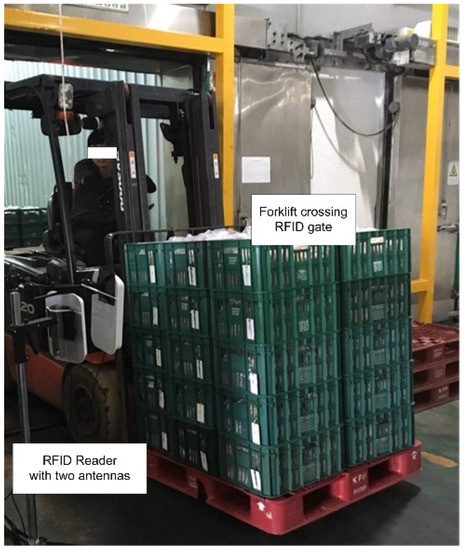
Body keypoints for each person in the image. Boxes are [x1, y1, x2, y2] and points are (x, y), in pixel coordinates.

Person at [71, 128, 156, 265]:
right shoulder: (83, 168)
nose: (101, 157)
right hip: (85, 222)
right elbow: (93, 185)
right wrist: (122, 178)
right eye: (96, 151)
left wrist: (132, 170)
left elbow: (151, 186)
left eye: (106, 150)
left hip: (112, 221)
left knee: (143, 234)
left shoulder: (122, 167)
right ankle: (102, 274)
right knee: (94, 239)